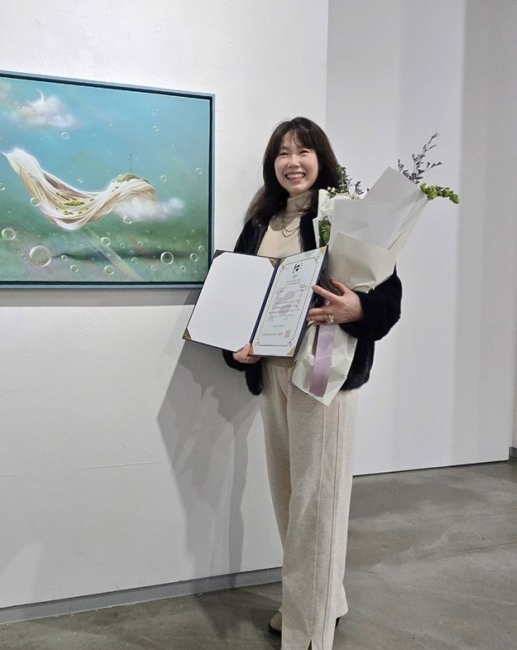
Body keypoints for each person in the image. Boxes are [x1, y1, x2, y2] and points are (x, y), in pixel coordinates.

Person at [222, 117, 402, 650]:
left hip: (324, 375)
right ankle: (325, 600)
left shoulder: (344, 219)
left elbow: (387, 298)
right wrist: (236, 347)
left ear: (322, 159)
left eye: (303, 151)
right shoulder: (261, 221)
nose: (292, 162)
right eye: (283, 152)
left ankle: (309, 632)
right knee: (288, 496)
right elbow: (241, 293)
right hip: (272, 372)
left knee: (317, 504)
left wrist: (357, 309)